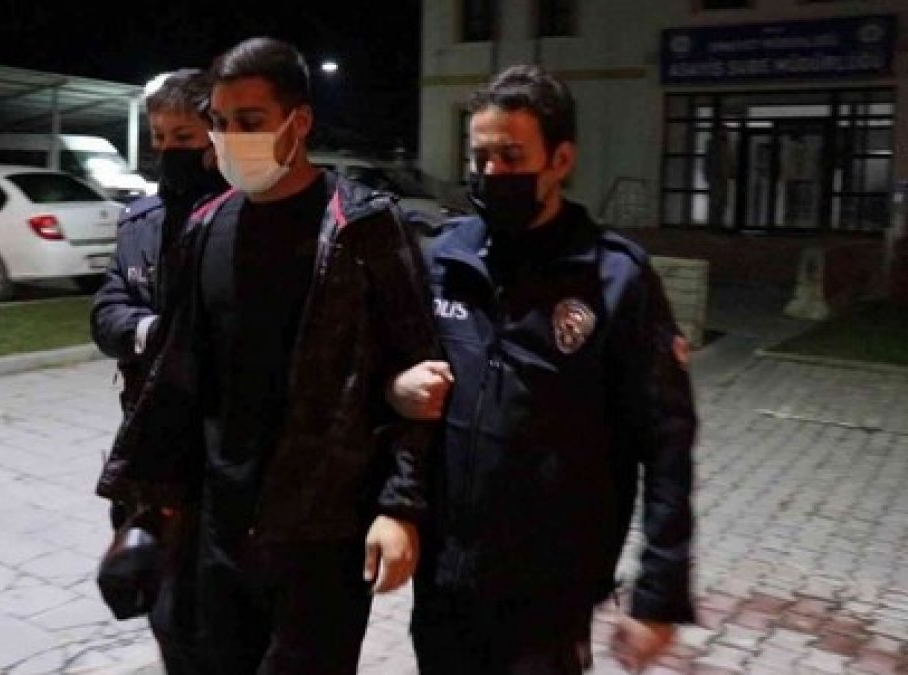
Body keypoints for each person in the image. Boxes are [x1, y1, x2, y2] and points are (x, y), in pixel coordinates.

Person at [95, 37, 439, 674]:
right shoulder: (207, 226)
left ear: (298, 121)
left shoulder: (364, 227)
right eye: (221, 122)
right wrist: (146, 510)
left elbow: (419, 372)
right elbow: (179, 378)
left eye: (250, 121)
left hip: (323, 535)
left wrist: (400, 506)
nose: (230, 139)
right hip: (218, 527)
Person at [392, 65, 697, 674]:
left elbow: (667, 440)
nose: (491, 173)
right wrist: (395, 391)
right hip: (447, 579)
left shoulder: (615, 278)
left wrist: (659, 592)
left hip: (550, 591)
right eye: (480, 157)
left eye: (511, 156)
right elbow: (404, 386)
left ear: (560, 160)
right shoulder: (445, 259)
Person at [90, 68, 225, 674]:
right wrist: (149, 332)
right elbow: (107, 311)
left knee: (225, 618)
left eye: (184, 138)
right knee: (168, 615)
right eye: (160, 138)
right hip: (150, 449)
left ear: (216, 137)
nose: (170, 151)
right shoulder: (141, 221)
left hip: (225, 455)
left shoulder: (248, 217)